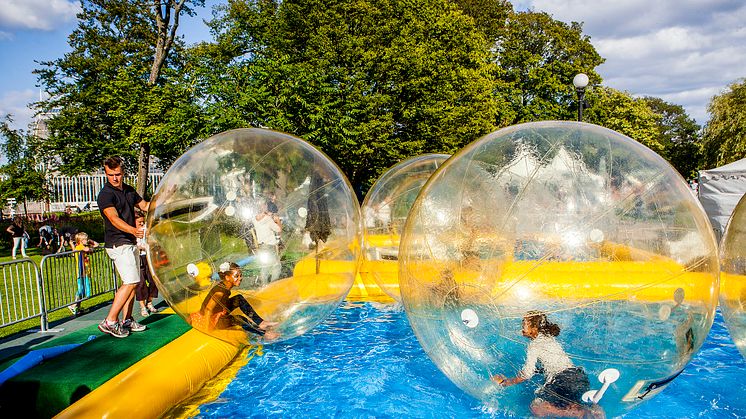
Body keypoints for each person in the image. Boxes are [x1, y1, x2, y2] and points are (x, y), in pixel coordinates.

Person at [491, 311, 602, 418]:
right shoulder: (549, 337)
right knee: (568, 401)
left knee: (536, 407)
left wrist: (505, 382)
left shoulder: (534, 345)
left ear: (534, 329)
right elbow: (551, 363)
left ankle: (581, 412)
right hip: (578, 376)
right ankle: (592, 411)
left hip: (562, 380)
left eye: (524, 324)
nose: (522, 327)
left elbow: (526, 375)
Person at [96, 156, 149, 338]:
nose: (115, 178)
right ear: (106, 173)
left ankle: (127, 320)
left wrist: (165, 198)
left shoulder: (128, 190)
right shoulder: (105, 195)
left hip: (130, 242)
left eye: (118, 174)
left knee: (133, 284)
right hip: (118, 243)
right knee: (131, 282)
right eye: (111, 175)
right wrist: (133, 230)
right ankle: (110, 321)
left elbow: (146, 206)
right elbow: (113, 218)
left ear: (123, 173)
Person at [189, 262, 278, 340]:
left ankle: (261, 322)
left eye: (240, 275)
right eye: (236, 276)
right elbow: (208, 309)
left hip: (219, 313)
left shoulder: (224, 286)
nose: (240, 278)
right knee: (238, 319)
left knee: (239, 299)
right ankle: (264, 333)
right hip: (210, 320)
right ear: (227, 277)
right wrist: (207, 330)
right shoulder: (219, 292)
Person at [252, 199, 282, 285]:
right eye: (265, 205)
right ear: (264, 206)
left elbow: (261, 218)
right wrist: (278, 220)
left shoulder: (254, 219)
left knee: (264, 267)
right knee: (277, 266)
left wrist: (268, 215)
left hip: (261, 247)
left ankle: (264, 285)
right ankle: (272, 285)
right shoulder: (268, 219)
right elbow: (278, 230)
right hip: (269, 246)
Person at [134, 211, 159, 317]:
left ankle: (149, 302)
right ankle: (142, 306)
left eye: (143, 222)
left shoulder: (146, 229)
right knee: (141, 283)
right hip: (137, 257)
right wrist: (138, 247)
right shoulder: (131, 231)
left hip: (148, 256)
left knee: (154, 280)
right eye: (139, 222)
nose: (141, 224)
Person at [69, 231, 99, 315]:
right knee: (81, 289)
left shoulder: (83, 245)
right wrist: (90, 247)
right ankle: (73, 305)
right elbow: (87, 249)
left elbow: (97, 244)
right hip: (81, 271)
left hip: (86, 271)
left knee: (84, 291)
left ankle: (77, 307)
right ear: (80, 240)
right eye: (85, 239)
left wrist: (89, 241)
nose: (87, 240)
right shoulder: (79, 247)